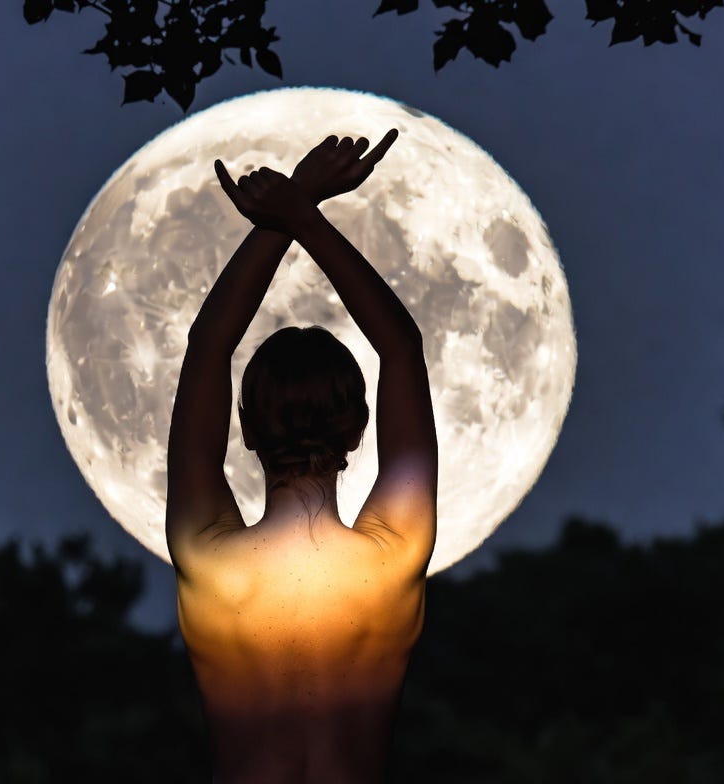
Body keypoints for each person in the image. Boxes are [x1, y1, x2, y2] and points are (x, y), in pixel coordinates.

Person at [165, 130, 438, 784]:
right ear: (357, 430)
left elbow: (206, 350)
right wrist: (301, 215)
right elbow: (400, 348)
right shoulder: (395, 551)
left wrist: (289, 210)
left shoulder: (206, 557)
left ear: (247, 429)